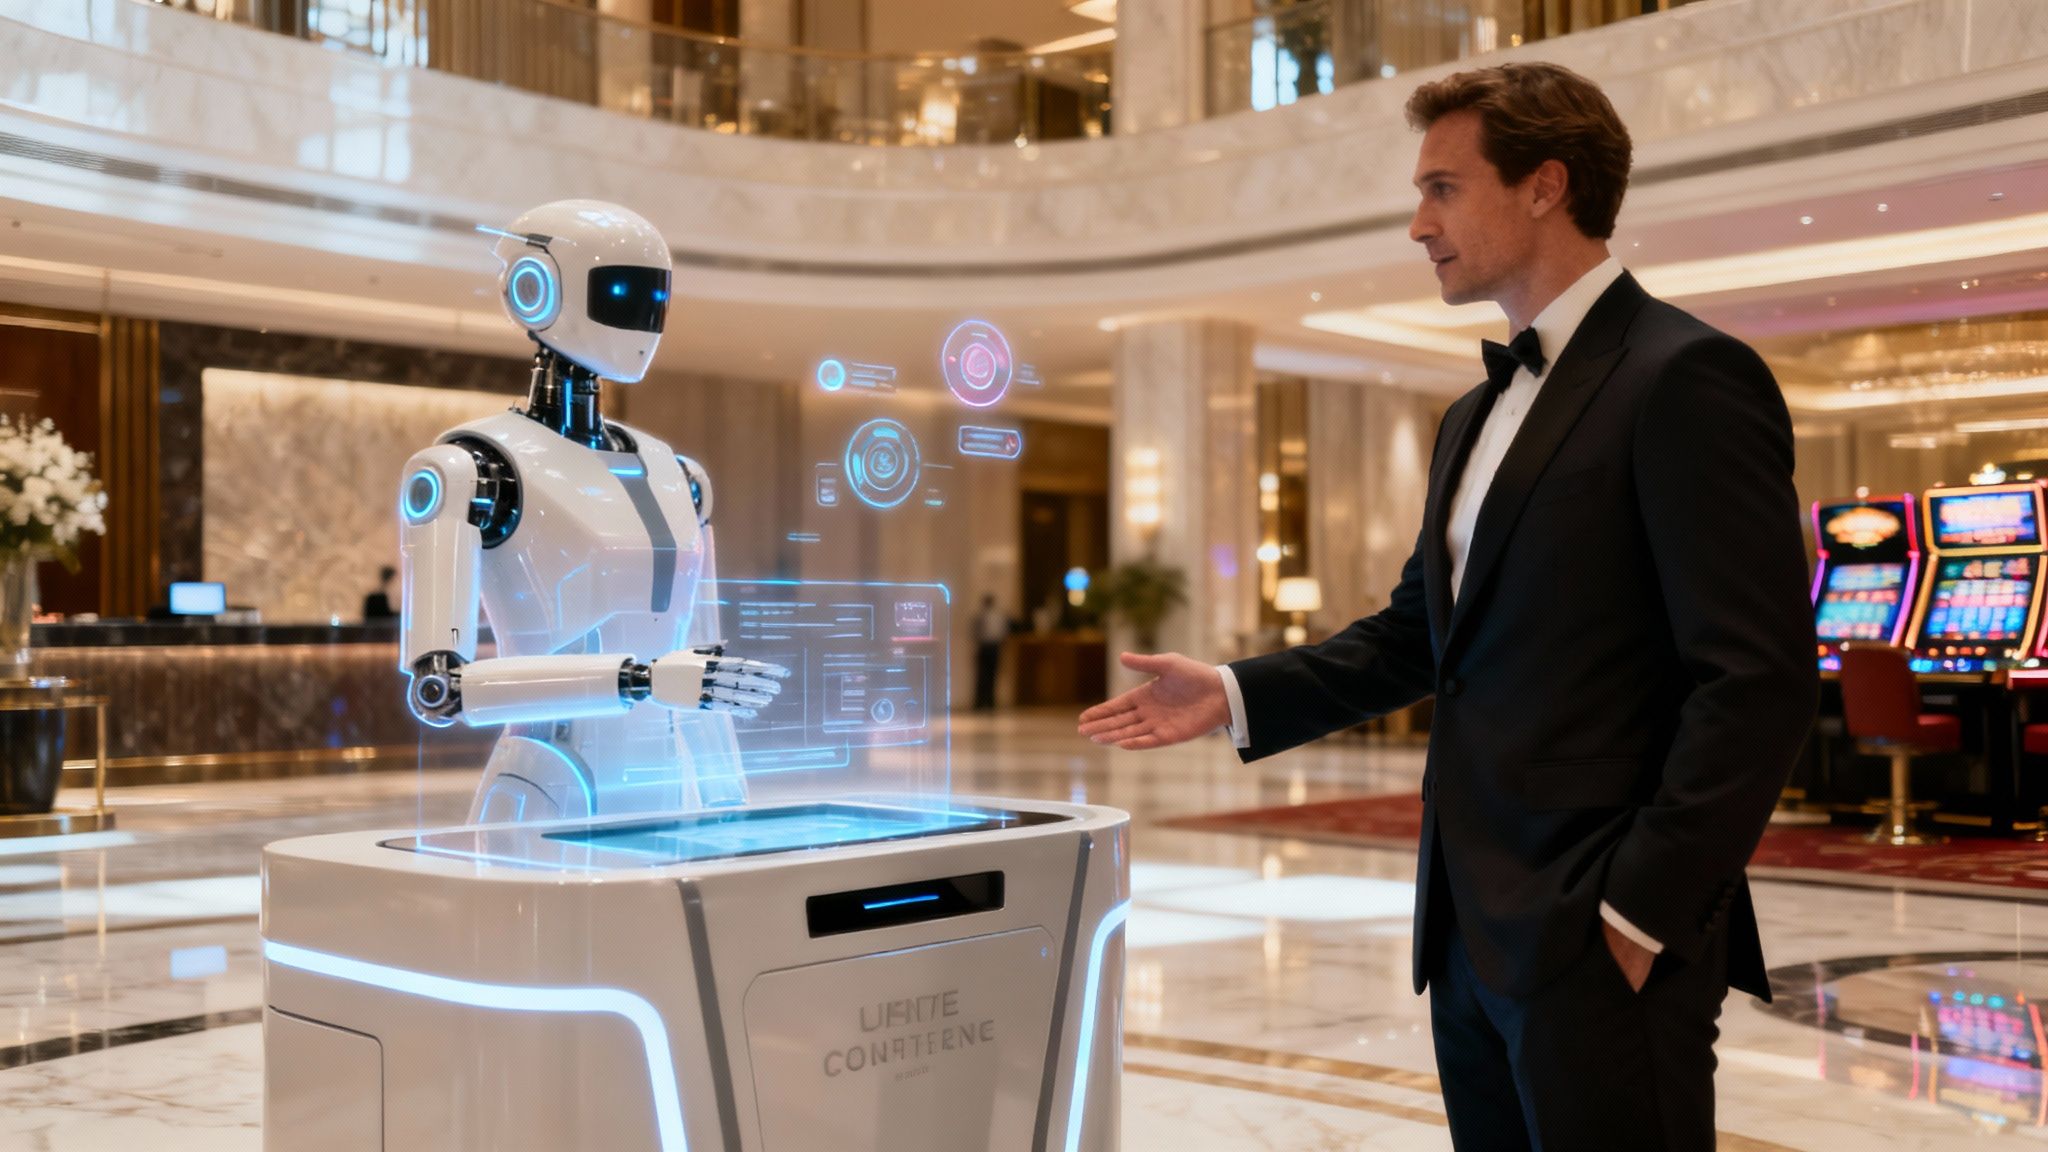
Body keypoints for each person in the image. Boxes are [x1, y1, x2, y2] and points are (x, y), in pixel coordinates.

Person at [1078, 62, 1816, 1151]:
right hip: (1468, 928)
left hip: (1599, 929)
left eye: (1442, 188)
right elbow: (1418, 637)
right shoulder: (1470, 415)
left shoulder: (1687, 376)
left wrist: (1636, 913)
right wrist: (1233, 692)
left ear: (1544, 186)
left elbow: (1757, 680)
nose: (1418, 223)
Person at [972, 594, 1008, 710]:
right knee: (984, 675)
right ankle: (981, 702)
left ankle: (988, 702)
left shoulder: (995, 616)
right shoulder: (984, 616)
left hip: (991, 646)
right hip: (986, 646)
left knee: (989, 675)